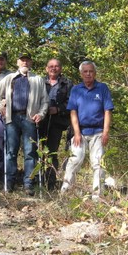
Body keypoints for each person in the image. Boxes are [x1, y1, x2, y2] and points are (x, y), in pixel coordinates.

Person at [0, 53, 49, 196]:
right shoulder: (9, 78)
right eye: (22, 60)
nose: (24, 62)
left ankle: (28, 183)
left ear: (30, 63)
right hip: (12, 118)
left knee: (30, 152)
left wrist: (41, 114)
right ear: (17, 62)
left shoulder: (37, 79)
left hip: (30, 119)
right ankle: (10, 182)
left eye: (27, 60)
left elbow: (45, 101)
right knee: (11, 151)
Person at [60, 61, 114, 199]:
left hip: (98, 132)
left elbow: (107, 111)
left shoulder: (102, 88)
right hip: (80, 132)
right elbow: (73, 112)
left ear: (95, 73)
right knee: (74, 161)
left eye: (91, 71)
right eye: (85, 71)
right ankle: (66, 192)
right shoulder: (76, 90)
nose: (88, 74)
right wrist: (77, 133)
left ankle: (97, 196)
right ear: (81, 73)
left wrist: (106, 132)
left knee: (98, 164)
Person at [39, 58, 73, 190]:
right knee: (36, 150)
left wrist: (58, 109)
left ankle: (50, 182)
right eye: (51, 66)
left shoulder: (67, 83)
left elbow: (71, 103)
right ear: (46, 68)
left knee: (51, 151)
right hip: (39, 120)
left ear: (61, 69)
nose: (54, 68)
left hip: (57, 122)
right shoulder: (39, 81)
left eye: (56, 66)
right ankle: (36, 178)